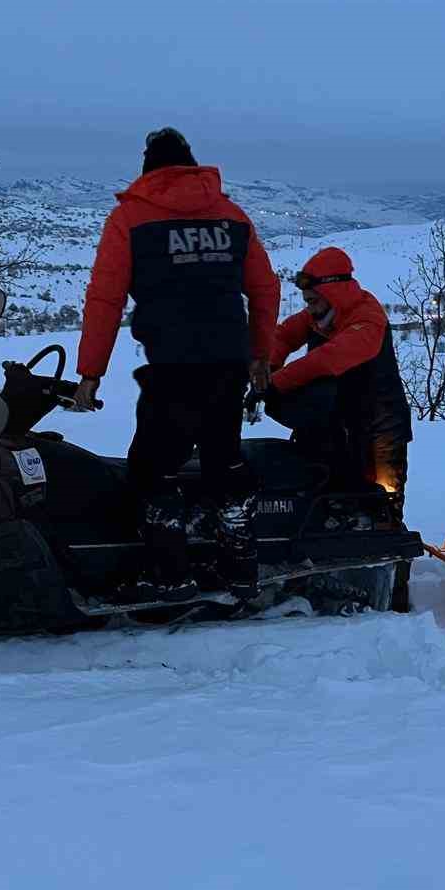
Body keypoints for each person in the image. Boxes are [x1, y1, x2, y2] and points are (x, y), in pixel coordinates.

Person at [73, 128, 280, 601]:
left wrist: (91, 372)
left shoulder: (130, 217)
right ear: (191, 163)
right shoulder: (231, 216)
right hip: (227, 363)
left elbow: (104, 298)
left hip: (171, 365)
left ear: (148, 166)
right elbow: (265, 288)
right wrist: (260, 355)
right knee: (222, 462)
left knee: (151, 469)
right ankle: (241, 568)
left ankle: (169, 575)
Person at [266, 247, 414, 610]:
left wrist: (276, 384)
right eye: (306, 300)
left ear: (333, 292)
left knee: (382, 506)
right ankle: (327, 577)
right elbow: (283, 335)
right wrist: (263, 368)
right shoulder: (321, 316)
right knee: (326, 498)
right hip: (333, 424)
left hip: (377, 430)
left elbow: (329, 360)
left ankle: (393, 591)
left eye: (314, 299)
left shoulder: (367, 319)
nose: (309, 307)